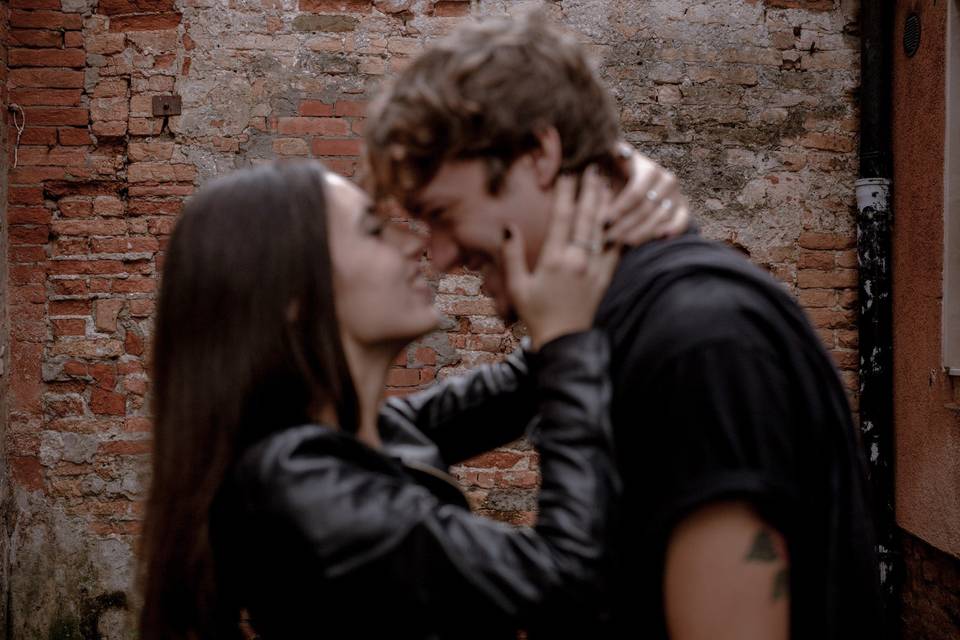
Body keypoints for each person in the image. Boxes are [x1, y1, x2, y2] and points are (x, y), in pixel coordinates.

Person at [365, 13, 885, 640]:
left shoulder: (701, 342)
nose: (442, 255)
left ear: (539, 154)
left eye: (445, 214)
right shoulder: (618, 320)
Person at [137, 158, 677, 639]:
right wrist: (567, 340)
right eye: (375, 230)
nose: (415, 244)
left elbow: (523, 381)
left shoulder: (365, 434)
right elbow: (566, 581)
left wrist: (614, 203)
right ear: (297, 297)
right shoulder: (300, 484)